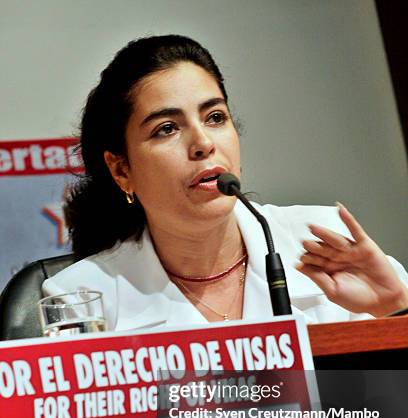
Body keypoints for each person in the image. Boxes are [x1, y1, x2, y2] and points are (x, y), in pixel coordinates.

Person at [42, 34, 408, 327]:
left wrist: (395, 309)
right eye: (167, 128)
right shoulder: (83, 299)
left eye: (215, 117)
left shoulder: (322, 242)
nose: (203, 143)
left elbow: (382, 416)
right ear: (122, 170)